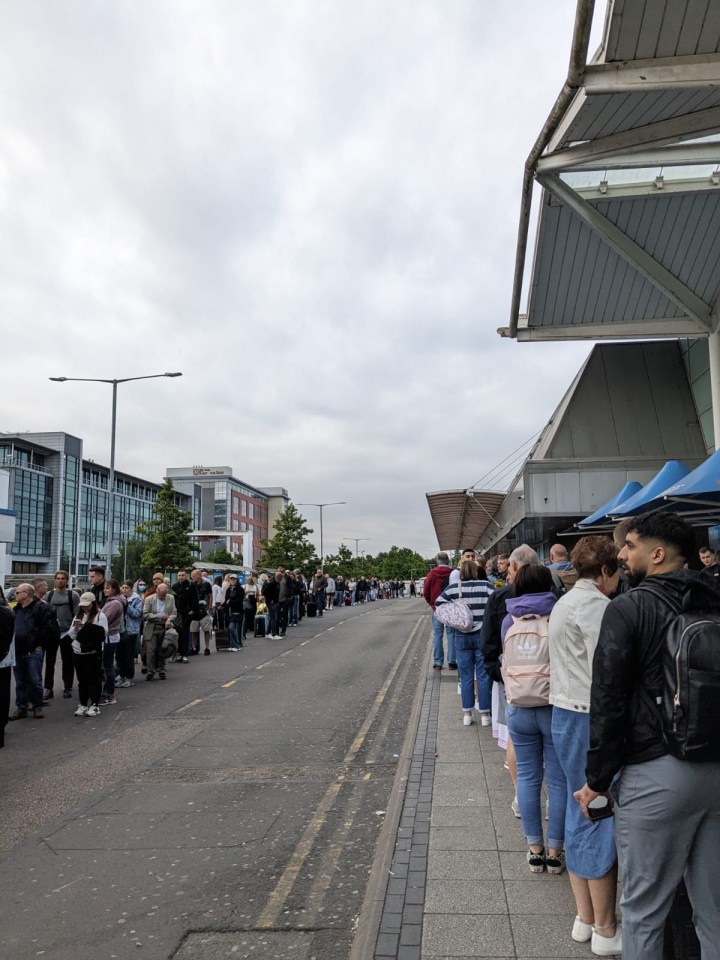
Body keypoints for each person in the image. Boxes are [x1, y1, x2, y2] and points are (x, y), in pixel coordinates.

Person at [575, 513, 720, 959]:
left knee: (643, 911)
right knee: (714, 910)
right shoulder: (714, 599)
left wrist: (597, 780)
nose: (621, 554)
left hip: (657, 771)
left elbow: (609, 701)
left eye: (630, 545)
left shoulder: (629, 608)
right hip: (715, 767)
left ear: (656, 555)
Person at [548, 536, 620, 951]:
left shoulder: (562, 602)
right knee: (597, 809)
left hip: (564, 711)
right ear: (607, 571)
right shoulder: (596, 605)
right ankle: (606, 929)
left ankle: (585, 918)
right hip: (587, 714)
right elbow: (608, 672)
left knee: (581, 811)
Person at [501, 563, 566, 876]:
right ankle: (555, 853)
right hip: (553, 705)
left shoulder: (508, 619)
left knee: (527, 778)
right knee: (557, 780)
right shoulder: (557, 616)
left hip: (518, 707)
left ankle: (534, 850)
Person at [435, 559, 494, 726]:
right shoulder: (486, 586)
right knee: (483, 676)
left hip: (461, 635)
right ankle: (485, 715)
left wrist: (454, 614)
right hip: (482, 635)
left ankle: (467, 714)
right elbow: (496, 601)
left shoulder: (455, 588)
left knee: (466, 676)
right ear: (476, 571)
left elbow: (439, 603)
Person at [9, 583, 58, 720]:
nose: (15, 594)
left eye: (18, 592)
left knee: (35, 680)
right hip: (18, 650)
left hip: (33, 649)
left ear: (26, 594)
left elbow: (47, 627)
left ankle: (37, 706)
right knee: (20, 681)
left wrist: (40, 645)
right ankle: (21, 708)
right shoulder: (16, 609)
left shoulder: (40, 608)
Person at [68, 592, 108, 717]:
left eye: (87, 605)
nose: (84, 607)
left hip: (93, 652)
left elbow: (103, 633)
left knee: (94, 679)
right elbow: (71, 635)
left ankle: (95, 704)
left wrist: (87, 627)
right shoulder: (78, 615)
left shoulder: (100, 615)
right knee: (82, 679)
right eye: (82, 605)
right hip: (78, 651)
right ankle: (83, 703)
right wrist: (76, 628)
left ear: (93, 603)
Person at [43, 570, 80, 701]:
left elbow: (77, 614)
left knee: (68, 662)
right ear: (54, 580)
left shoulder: (73, 595)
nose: (60, 581)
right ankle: (48, 688)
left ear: (67, 580)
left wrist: (74, 630)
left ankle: (67, 687)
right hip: (52, 633)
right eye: (58, 578)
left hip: (67, 633)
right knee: (49, 662)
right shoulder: (48, 595)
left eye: (63, 578)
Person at [423, 552, 455, 671]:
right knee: (451, 634)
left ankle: (438, 662)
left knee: (438, 635)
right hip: (451, 607)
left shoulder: (432, 574)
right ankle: (452, 662)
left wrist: (432, 603)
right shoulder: (453, 573)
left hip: (437, 608)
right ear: (448, 561)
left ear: (437, 561)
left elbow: (426, 591)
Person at [142, 582, 176, 679]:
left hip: (165, 627)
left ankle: (162, 670)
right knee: (151, 651)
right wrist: (159, 616)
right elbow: (145, 614)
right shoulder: (149, 599)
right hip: (151, 627)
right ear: (157, 591)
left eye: (165, 595)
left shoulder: (171, 598)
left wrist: (169, 619)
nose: (163, 597)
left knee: (163, 649)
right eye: (161, 595)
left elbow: (174, 612)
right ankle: (150, 671)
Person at [100, 579, 125, 704]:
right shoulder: (109, 601)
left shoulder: (115, 603)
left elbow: (105, 619)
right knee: (107, 665)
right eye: (104, 588)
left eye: (108, 588)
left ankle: (109, 694)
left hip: (110, 636)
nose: (105, 590)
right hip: (108, 636)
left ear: (114, 589)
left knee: (108, 666)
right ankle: (106, 692)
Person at [118, 581, 142, 686]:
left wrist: (127, 605)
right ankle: (121, 675)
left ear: (131, 588)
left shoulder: (136, 599)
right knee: (119, 655)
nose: (124, 590)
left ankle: (129, 677)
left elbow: (137, 614)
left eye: (127, 588)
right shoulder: (119, 599)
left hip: (131, 630)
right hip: (120, 630)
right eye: (123, 588)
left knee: (128, 655)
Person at [0, 590, 15, 746]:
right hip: (4, 658)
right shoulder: (8, 612)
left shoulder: (5, 613)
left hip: (3, 659)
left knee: (2, 694)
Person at [171, 570, 193, 662]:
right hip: (177, 614)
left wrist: (192, 610)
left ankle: (185, 654)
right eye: (179, 575)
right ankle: (179, 654)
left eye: (183, 575)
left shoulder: (191, 585)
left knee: (185, 634)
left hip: (187, 613)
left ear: (186, 576)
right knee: (178, 634)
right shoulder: (174, 586)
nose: (181, 577)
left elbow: (194, 598)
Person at [189, 568, 213, 655]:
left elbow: (210, 596)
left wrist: (210, 606)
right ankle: (194, 647)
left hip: (203, 610)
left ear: (198, 576)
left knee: (206, 630)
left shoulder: (206, 584)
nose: (192, 578)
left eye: (193, 576)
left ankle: (207, 648)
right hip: (194, 610)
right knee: (194, 631)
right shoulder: (191, 585)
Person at [225, 575, 245, 650]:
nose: (233, 580)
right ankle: (233, 645)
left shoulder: (240, 589)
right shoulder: (228, 589)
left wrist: (230, 601)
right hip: (230, 612)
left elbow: (239, 600)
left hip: (238, 611)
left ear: (237, 580)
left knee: (234, 628)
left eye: (234, 579)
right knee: (231, 628)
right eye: (231, 579)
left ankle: (237, 644)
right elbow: (226, 600)